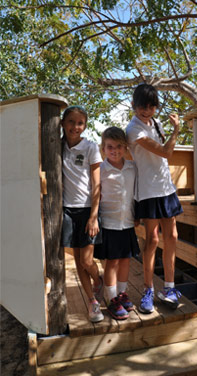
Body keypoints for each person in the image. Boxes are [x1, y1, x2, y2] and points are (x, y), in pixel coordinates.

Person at [126, 84, 183, 314]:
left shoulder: (155, 123)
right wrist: (176, 130)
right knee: (152, 241)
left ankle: (169, 288)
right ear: (134, 105)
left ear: (155, 107)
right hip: (148, 191)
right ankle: (148, 290)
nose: (146, 111)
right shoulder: (133, 129)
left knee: (172, 236)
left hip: (166, 188)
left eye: (151, 107)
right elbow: (166, 152)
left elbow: (163, 157)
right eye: (142, 106)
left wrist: (169, 130)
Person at [61, 105, 104, 323]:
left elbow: (97, 184)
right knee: (77, 260)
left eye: (80, 123)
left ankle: (99, 279)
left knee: (87, 260)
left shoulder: (90, 147)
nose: (75, 127)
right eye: (71, 121)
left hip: (88, 209)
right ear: (62, 123)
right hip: (67, 209)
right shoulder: (56, 146)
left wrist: (94, 216)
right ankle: (92, 302)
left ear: (85, 126)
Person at [95, 126, 140, 320]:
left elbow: (136, 193)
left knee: (125, 259)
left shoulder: (132, 167)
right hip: (109, 222)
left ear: (125, 146)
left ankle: (122, 294)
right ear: (103, 148)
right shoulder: (101, 169)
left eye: (119, 146)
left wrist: (137, 215)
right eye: (110, 147)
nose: (115, 150)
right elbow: (95, 194)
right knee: (112, 261)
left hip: (127, 221)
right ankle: (111, 299)